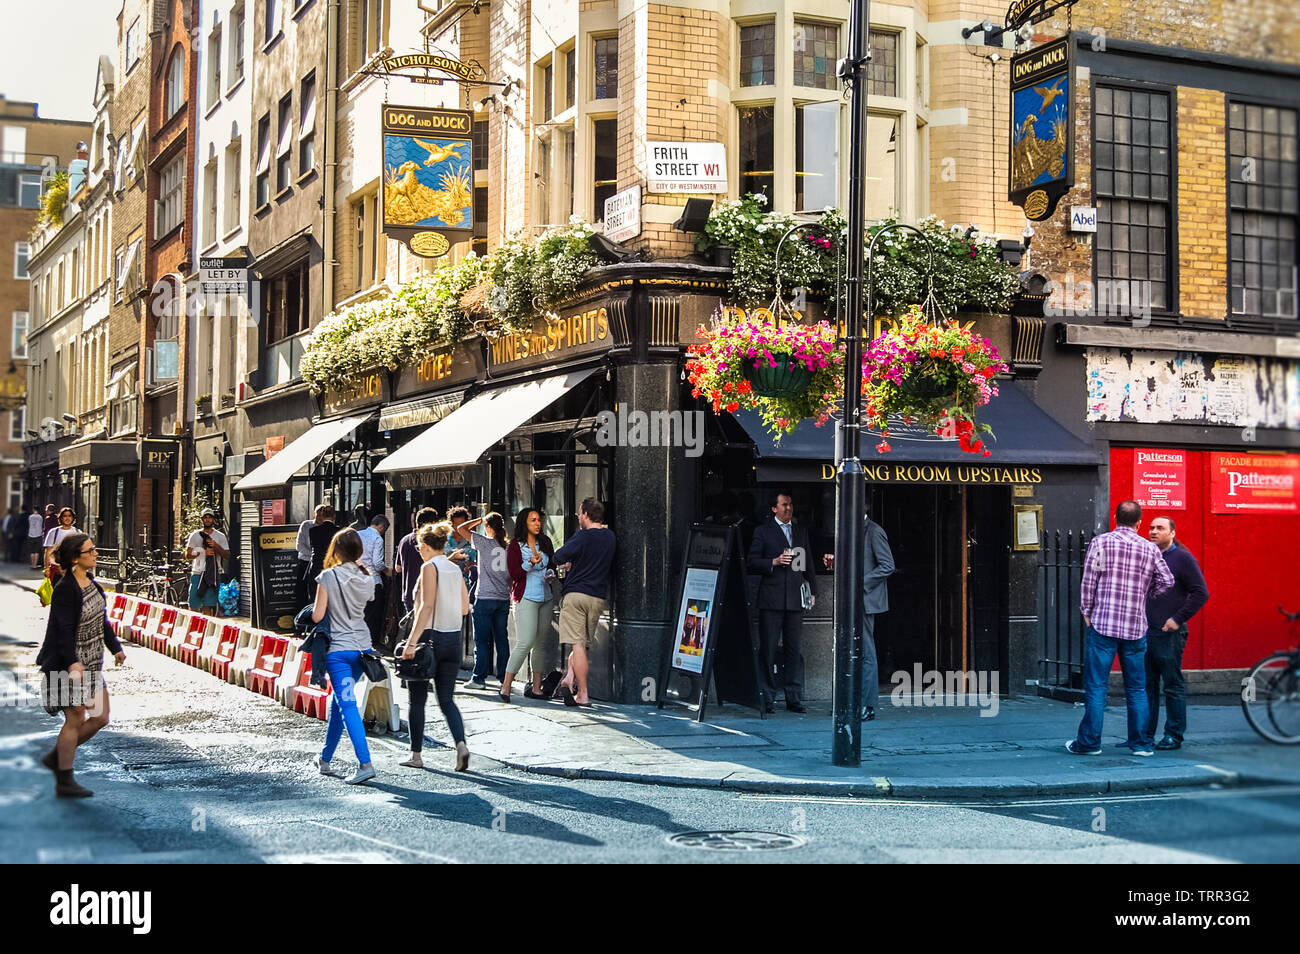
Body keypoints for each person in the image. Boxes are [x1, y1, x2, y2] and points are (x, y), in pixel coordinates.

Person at [1069, 500, 1175, 757]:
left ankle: (1089, 744)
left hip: (1103, 624)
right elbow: (1167, 581)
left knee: (1096, 687)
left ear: (1115, 518)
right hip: (1135, 627)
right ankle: (1140, 744)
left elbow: (1089, 580)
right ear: (1139, 523)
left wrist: (1086, 610)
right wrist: (1145, 593)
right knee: (1137, 688)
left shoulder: (1101, 542)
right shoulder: (1149, 549)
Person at [36, 533, 125, 797]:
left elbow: (102, 621)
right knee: (75, 718)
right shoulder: (65, 588)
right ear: (77, 558)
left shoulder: (94, 585)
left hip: (92, 662)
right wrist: (72, 662)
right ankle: (65, 779)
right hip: (68, 663)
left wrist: (116, 648)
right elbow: (62, 629)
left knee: (101, 716)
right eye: (91, 550)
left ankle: (57, 756)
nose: (96, 554)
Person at [398, 521, 471, 771]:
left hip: (429, 638)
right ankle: (461, 745)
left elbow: (425, 607)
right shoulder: (454, 569)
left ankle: (416, 755)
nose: (419, 550)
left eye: (420, 546)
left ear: (428, 546)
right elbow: (464, 608)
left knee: (416, 699)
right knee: (447, 700)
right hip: (453, 639)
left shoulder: (429, 568)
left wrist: (410, 642)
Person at [311, 528, 377, 784]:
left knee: (347, 704)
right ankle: (325, 758)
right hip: (363, 650)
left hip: (338, 651)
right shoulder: (367, 578)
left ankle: (365, 763)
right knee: (339, 702)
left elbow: (317, 615)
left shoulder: (327, 576)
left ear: (336, 550)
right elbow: (367, 599)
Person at [1143, 516, 1209, 751]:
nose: (1153, 531)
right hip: (1144, 632)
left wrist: (1176, 620)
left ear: (1172, 533)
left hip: (1169, 633)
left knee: (1172, 684)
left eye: (1160, 528)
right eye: (1151, 527)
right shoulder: (1146, 554)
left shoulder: (1182, 558)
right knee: (1146, 686)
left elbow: (1201, 592)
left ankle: (1173, 735)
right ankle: (1144, 735)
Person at [747, 491, 817, 713]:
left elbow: (809, 564)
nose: (789, 508)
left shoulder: (800, 531)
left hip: (795, 599)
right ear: (774, 508)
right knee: (768, 649)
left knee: (793, 649)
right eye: (784, 505)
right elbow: (751, 562)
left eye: (791, 504)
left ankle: (793, 697)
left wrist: (812, 590)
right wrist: (774, 561)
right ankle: (767, 697)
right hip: (771, 599)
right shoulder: (763, 531)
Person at [552, 498, 616, 706]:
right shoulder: (610, 537)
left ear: (586, 515)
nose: (579, 517)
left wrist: (571, 563)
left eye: (580, 513)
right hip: (597, 597)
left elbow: (558, 556)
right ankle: (569, 679)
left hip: (576, 595)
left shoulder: (582, 536)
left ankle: (584, 694)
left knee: (577, 644)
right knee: (583, 645)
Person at [501, 508, 556, 701]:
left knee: (540, 644)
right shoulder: (516, 546)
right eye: (533, 520)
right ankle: (506, 686)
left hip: (546, 597)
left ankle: (537, 688)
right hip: (525, 597)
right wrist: (530, 563)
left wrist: (551, 573)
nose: (537, 523)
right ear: (524, 523)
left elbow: (551, 566)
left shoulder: (546, 542)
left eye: (539, 520)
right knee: (525, 642)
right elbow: (514, 574)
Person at [461, 512, 512, 691]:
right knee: (502, 639)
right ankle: (504, 679)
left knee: (482, 641)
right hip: (503, 598)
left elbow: (461, 528)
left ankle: (479, 678)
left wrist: (479, 519)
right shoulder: (508, 546)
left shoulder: (483, 542)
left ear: (488, 527)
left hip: (484, 597)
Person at [185, 508, 230, 616]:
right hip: (198, 573)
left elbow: (227, 555)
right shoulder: (195, 535)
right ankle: (195, 627)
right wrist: (203, 552)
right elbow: (188, 555)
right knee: (193, 604)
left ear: (213, 520)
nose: (208, 519)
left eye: (210, 517)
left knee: (208, 605)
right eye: (205, 517)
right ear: (202, 519)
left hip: (212, 574)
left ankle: (206, 630)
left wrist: (215, 545)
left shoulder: (220, 536)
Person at [395, 506, 439, 615]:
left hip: (408, 594)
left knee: (413, 628)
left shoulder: (404, 540)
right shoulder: (432, 541)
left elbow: (398, 568)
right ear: (432, 523)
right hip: (428, 594)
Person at [357, 514, 391, 648]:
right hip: (372, 581)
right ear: (381, 527)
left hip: (357, 579)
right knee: (373, 614)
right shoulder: (377, 538)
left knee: (361, 613)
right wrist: (386, 570)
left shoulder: (358, 534)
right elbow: (377, 563)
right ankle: (371, 642)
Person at [296, 504, 332, 609]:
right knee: (303, 592)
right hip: (306, 562)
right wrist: (313, 554)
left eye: (322, 515)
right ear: (314, 514)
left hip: (321, 564)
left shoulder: (327, 528)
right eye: (318, 514)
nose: (320, 517)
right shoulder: (306, 525)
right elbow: (299, 545)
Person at [305, 505, 338, 602]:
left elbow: (312, 548)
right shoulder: (338, 531)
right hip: (332, 568)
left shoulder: (313, 531)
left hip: (316, 567)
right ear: (334, 516)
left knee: (315, 599)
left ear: (322, 516)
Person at [43, 508, 81, 573]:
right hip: (56, 568)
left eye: (69, 516)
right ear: (61, 518)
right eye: (65, 516)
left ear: (73, 518)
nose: (67, 518)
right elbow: (47, 552)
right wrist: (46, 569)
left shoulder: (78, 532)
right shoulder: (53, 532)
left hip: (74, 568)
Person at [27, 505, 44, 569]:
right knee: (37, 551)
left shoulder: (30, 517)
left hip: (31, 534)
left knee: (32, 551)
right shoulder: (40, 517)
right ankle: (35, 565)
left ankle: (32, 564)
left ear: (33, 509)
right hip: (38, 534)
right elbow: (41, 525)